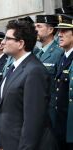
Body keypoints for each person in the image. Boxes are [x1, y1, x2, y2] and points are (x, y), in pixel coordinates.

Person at [0, 19, 56, 150]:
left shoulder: (34, 71)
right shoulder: (14, 67)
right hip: (10, 143)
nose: (3, 42)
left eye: (7, 39)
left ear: (20, 43)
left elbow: (33, 120)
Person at [35, 15, 63, 126]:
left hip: (53, 113)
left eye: (39, 26)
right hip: (39, 112)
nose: (35, 29)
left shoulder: (58, 52)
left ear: (50, 30)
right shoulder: (37, 54)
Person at [54, 14, 73, 150]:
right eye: (59, 31)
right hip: (60, 124)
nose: (59, 34)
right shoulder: (62, 57)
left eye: (64, 31)